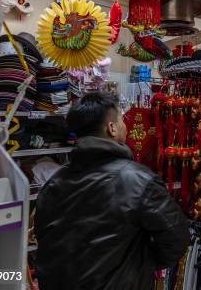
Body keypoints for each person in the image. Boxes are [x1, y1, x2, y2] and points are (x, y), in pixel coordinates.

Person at [35, 92, 189, 290]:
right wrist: (141, 263)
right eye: (122, 119)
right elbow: (177, 239)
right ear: (112, 128)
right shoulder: (139, 180)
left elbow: (46, 242)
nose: (126, 125)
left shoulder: (53, 183)